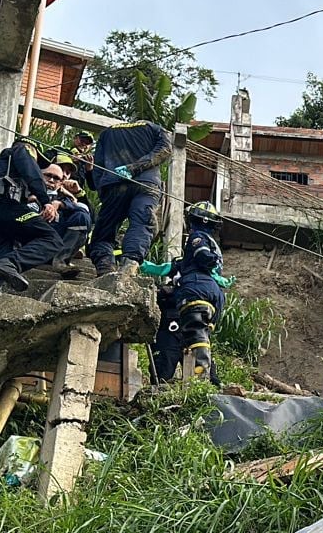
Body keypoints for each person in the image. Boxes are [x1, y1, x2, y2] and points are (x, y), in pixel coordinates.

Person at [0, 137, 67, 309]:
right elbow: (30, 172)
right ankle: (11, 263)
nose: (36, 164)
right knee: (52, 239)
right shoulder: (22, 150)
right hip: (2, 207)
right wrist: (46, 201)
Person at [142, 201, 232, 385]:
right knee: (199, 334)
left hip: (193, 296)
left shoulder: (197, 240)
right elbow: (161, 268)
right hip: (213, 299)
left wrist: (135, 262)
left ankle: (201, 367)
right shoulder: (194, 260)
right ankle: (209, 379)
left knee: (192, 333)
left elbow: (201, 256)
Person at [86, 120, 171, 277]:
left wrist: (103, 191)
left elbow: (98, 166)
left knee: (104, 230)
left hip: (114, 184)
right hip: (146, 183)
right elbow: (165, 150)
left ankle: (105, 266)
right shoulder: (154, 128)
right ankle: (130, 262)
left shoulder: (107, 132)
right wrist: (136, 167)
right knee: (142, 221)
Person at [42, 161, 93, 264]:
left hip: (55, 238)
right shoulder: (26, 189)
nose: (51, 180)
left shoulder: (66, 198)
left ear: (61, 182)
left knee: (82, 215)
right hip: (29, 240)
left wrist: (64, 202)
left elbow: (90, 218)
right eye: (48, 175)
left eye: (56, 178)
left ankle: (61, 260)